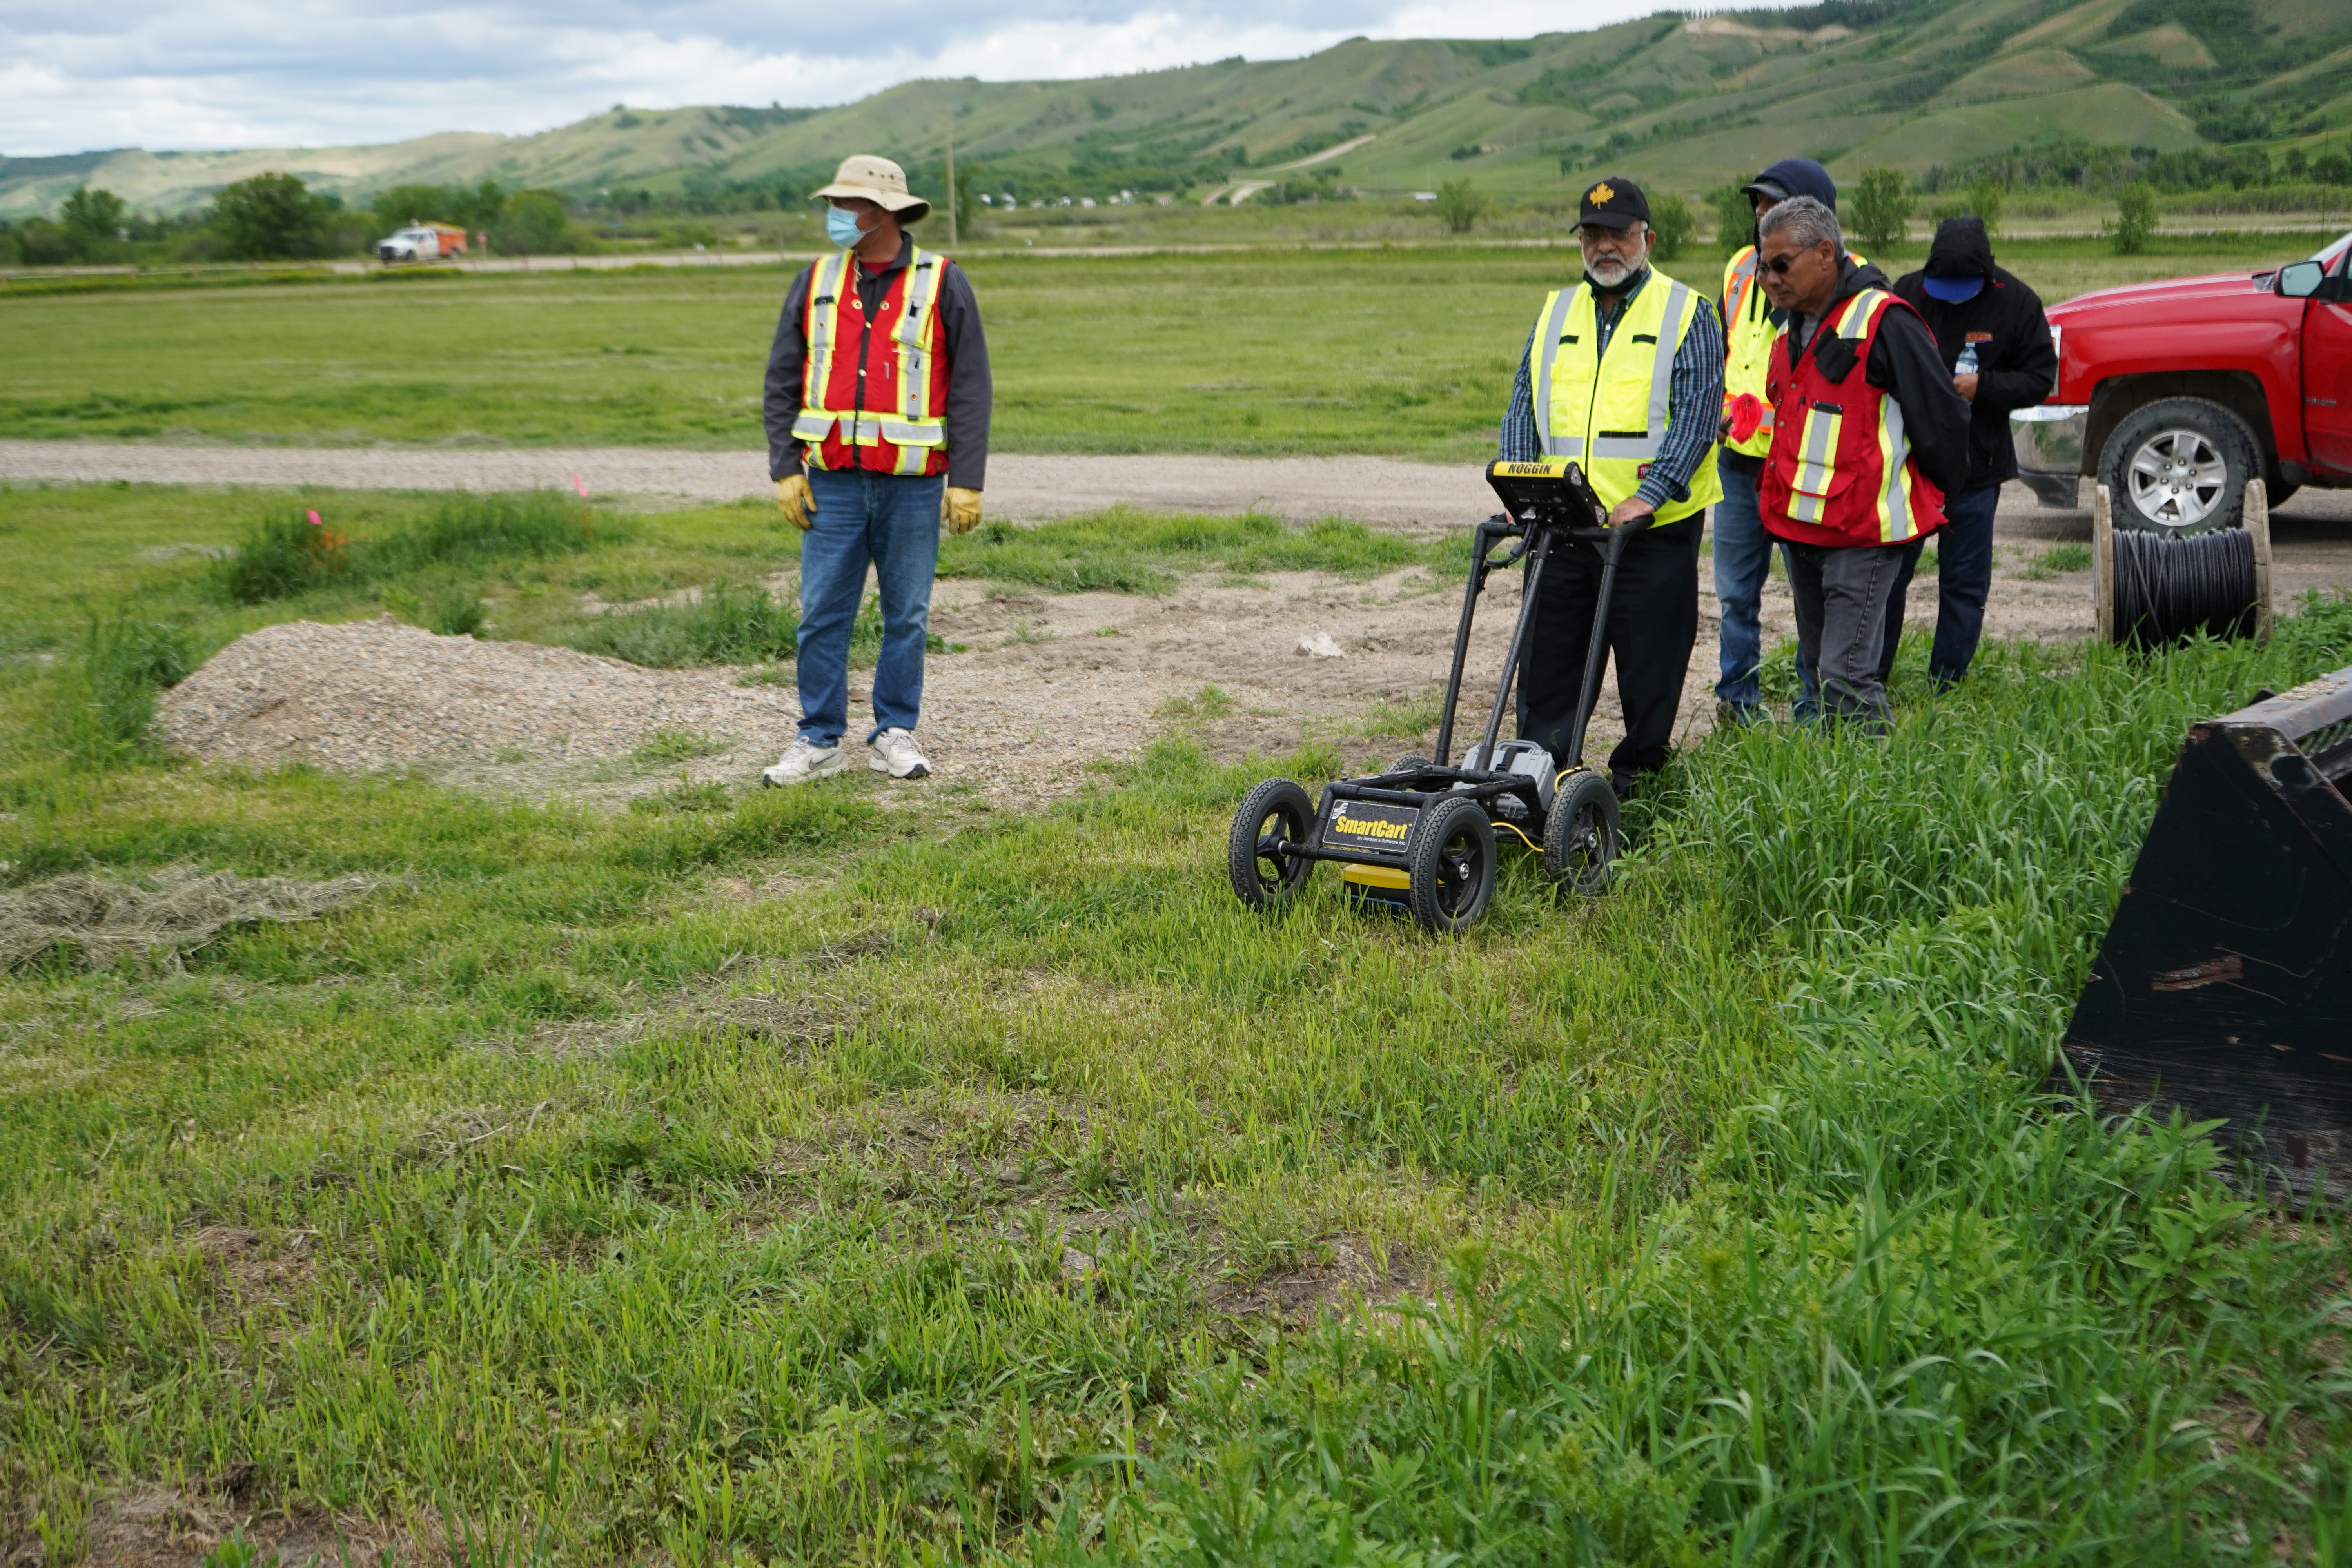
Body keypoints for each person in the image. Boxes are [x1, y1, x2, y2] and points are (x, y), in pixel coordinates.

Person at [759, 154, 992, 786]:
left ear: (882, 213)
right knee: (821, 614)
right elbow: (783, 378)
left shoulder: (942, 281)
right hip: (831, 482)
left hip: (912, 487)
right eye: (834, 205)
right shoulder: (814, 281)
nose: (835, 217)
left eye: (846, 206)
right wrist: (786, 466)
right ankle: (818, 739)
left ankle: (894, 730)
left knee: (907, 614)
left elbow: (970, 386)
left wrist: (966, 479)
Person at [1499, 176, 1724, 797]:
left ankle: (1637, 790)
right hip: (1565, 525)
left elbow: (1700, 415)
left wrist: (1649, 498)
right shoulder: (1555, 312)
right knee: (1547, 666)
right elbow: (1524, 405)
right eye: (1592, 235)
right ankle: (1537, 788)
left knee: (1650, 670)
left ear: (1646, 238)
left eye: (1618, 234)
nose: (1605, 247)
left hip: (1651, 533)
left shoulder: (1687, 312)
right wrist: (1523, 487)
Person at [1755, 196, 1969, 733]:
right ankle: (1835, 780)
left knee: (1845, 674)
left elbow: (1941, 422)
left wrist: (1937, 500)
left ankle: (1874, 797)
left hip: (1864, 532)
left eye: (1781, 265)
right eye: (1763, 266)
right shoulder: (1790, 328)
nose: (1769, 278)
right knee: (1818, 669)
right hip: (1802, 529)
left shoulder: (1886, 321)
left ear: (1825, 254)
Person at [1878, 216, 2057, 687]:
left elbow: (2041, 377)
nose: (1951, 294)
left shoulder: (2018, 302)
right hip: (1909, 469)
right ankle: (1870, 675)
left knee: (1963, 584)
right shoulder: (1907, 293)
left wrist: (1986, 387)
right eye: (1945, 284)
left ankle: (1946, 682)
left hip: (1978, 470)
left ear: (1987, 275)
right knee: (1889, 578)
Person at [1713, 158, 1845, 728]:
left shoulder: (1839, 280)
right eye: (1758, 204)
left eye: (1774, 204)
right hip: (1740, 461)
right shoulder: (1741, 268)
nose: (1760, 214)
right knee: (1735, 595)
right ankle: (1737, 706)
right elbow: (1726, 346)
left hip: (1801, 464)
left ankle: (1813, 709)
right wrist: (1720, 412)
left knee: (1811, 600)